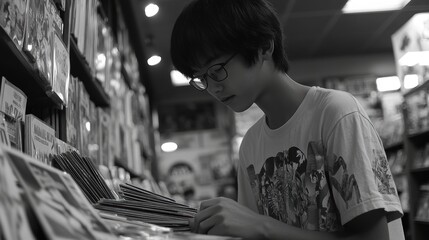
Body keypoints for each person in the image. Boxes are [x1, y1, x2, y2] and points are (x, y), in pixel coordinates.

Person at [170, 0, 404, 239]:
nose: (213, 88)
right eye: (201, 79)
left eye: (216, 70)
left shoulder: (335, 114)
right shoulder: (250, 145)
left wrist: (261, 226)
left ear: (263, 47)